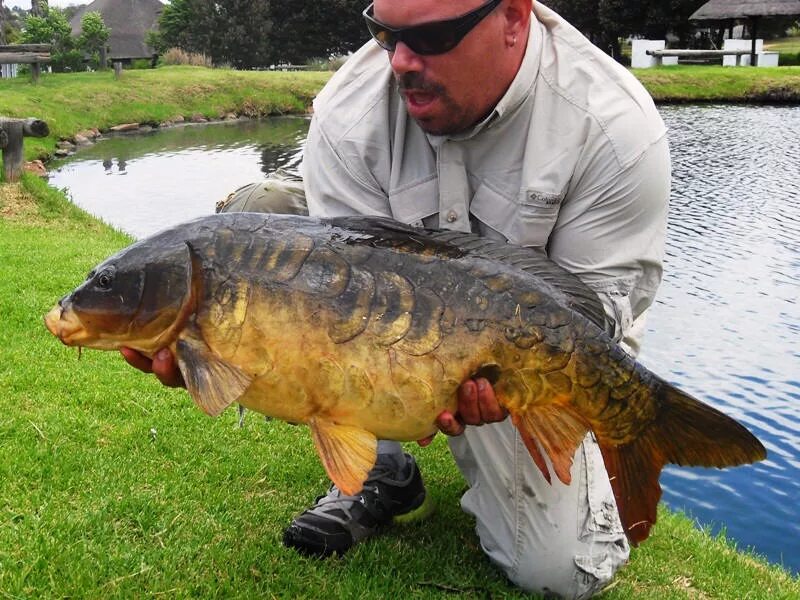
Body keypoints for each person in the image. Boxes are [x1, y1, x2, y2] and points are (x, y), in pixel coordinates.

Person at [122, 0, 671, 597]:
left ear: (514, 19)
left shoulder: (613, 128)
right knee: (257, 223)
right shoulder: (350, 108)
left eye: (432, 36)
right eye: (384, 34)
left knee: (558, 575)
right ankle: (384, 472)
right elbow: (338, 307)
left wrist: (520, 383)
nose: (401, 62)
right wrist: (221, 355)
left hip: (526, 346)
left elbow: (599, 315)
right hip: (384, 317)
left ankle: (625, 439)